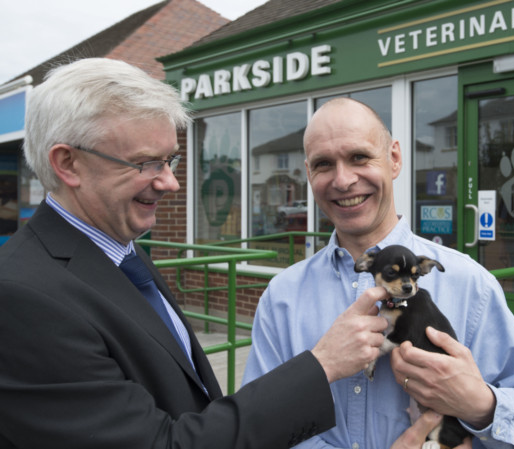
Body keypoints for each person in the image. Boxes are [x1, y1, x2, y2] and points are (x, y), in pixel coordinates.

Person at [0, 58, 395, 448]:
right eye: (146, 163)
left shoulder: (120, 251)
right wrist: (323, 364)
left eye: (170, 160)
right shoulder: (22, 297)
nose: (171, 183)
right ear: (68, 163)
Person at [242, 98, 514, 448]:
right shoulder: (281, 297)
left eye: (359, 157)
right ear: (308, 173)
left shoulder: (470, 283)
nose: (344, 180)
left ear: (394, 158)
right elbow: (256, 427)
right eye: (323, 164)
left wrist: (480, 404)